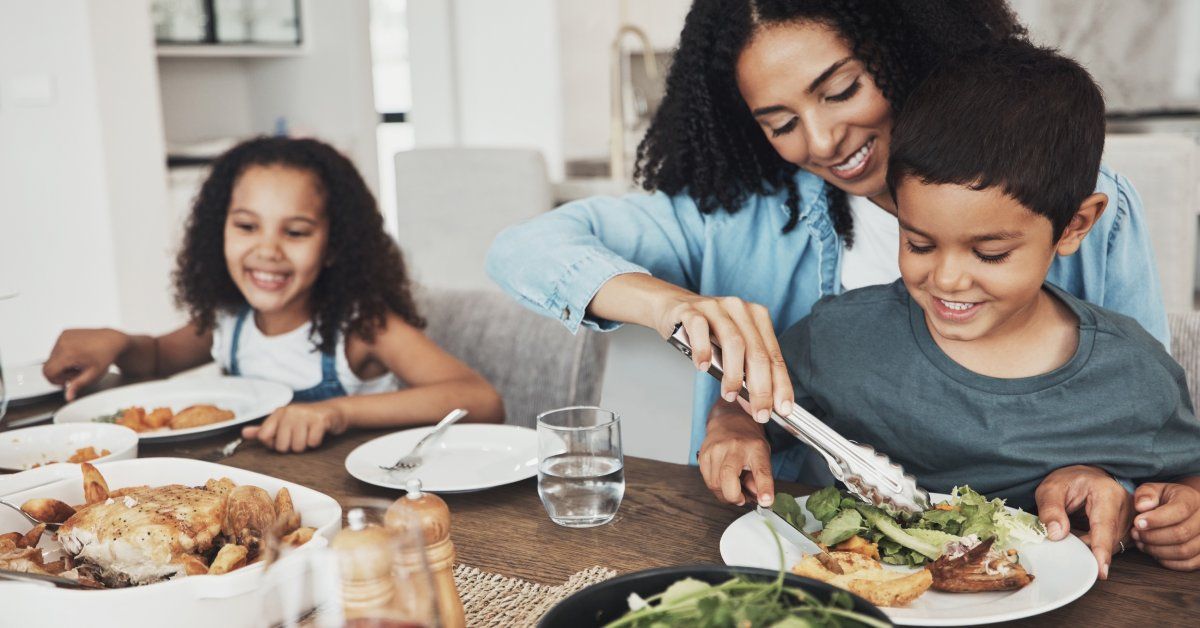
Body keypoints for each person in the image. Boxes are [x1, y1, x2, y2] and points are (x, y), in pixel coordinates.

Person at [486, 0, 1166, 544]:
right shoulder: (740, 214)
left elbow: (1141, 430)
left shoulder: (1068, 197)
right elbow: (523, 248)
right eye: (780, 122)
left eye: (841, 90)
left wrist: (1111, 485)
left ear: (904, 50)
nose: (820, 140)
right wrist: (676, 311)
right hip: (817, 554)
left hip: (1041, 561)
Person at [761, 43, 1200, 577]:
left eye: (990, 253)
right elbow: (759, 403)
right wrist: (733, 431)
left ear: (1075, 226)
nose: (945, 279)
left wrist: (1180, 515)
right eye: (919, 243)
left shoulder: (1134, 375)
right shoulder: (839, 334)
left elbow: (1185, 479)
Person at [43, 137, 504, 452]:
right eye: (246, 226)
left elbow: (479, 399)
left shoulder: (362, 326)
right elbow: (160, 357)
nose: (267, 250)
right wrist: (119, 343)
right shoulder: (230, 319)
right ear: (217, 230)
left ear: (334, 246)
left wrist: (336, 412)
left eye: (296, 231)